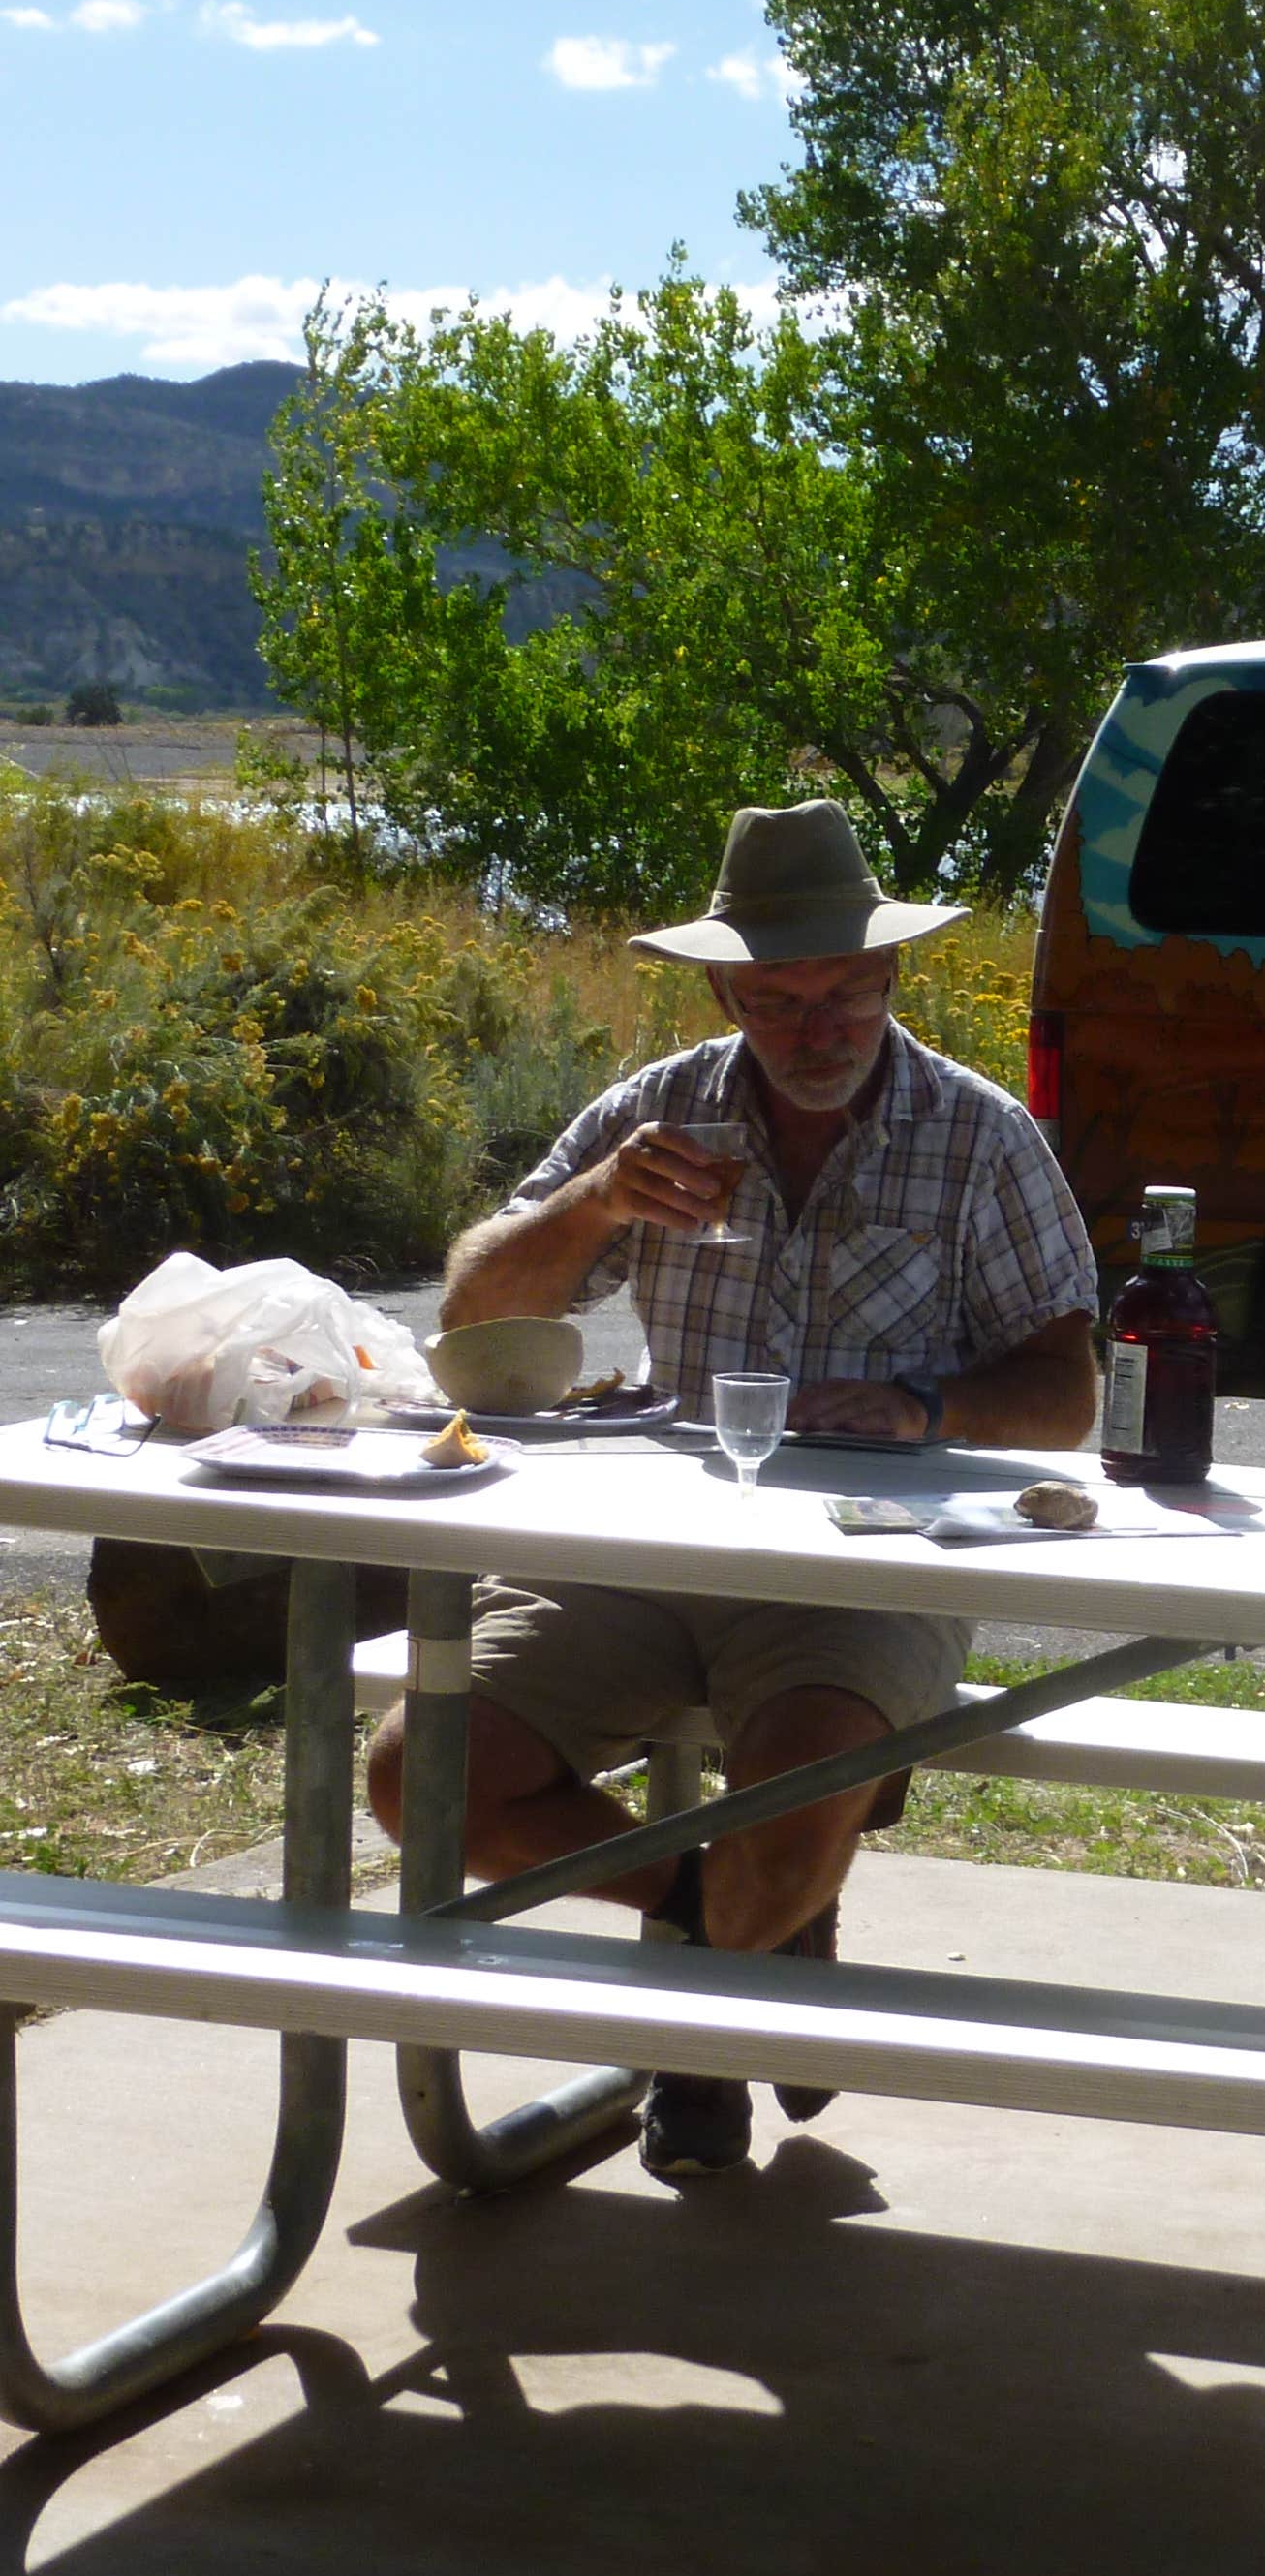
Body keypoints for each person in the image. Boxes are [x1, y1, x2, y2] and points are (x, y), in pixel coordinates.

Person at [363, 800, 1100, 2179]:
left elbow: (1069, 1392)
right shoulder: (658, 1114)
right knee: (423, 1776)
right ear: (724, 996)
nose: (819, 1030)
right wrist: (593, 1204)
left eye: (847, 994)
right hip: (651, 1540)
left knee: (800, 1794)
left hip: (872, 1557)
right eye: (779, 1002)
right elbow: (472, 1318)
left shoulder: (980, 1135)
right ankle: (749, 1933)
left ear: (892, 975)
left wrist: (925, 1407)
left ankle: (701, 2023)